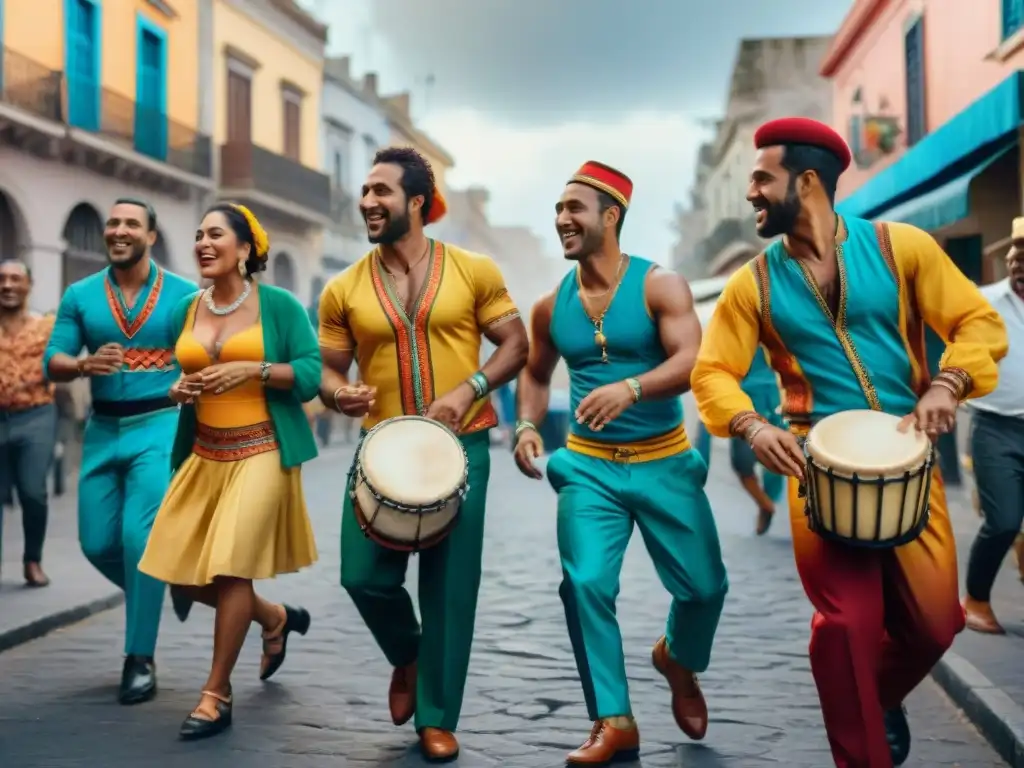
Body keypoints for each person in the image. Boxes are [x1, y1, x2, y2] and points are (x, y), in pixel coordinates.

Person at [690, 117, 1007, 767]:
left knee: (933, 625)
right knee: (846, 627)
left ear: (805, 182)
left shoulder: (903, 247)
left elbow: (976, 321)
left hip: (909, 455)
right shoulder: (752, 283)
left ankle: (879, 697)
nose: (750, 192)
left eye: (760, 178)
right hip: (814, 467)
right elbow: (712, 371)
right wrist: (751, 424)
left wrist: (949, 382)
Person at [317, 146, 529, 762]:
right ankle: (408, 654)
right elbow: (328, 372)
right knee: (361, 576)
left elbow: (514, 344)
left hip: (460, 450)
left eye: (381, 191)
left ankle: (437, 716)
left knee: (449, 587)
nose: (366, 201)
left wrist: (472, 388)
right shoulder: (342, 288)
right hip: (380, 449)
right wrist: (341, 394)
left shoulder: (472, 270)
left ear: (416, 201)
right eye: (364, 191)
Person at [514, 161, 728, 766]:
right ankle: (614, 721)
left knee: (705, 588)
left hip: (664, 462)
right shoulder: (548, 306)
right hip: (587, 468)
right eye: (557, 210)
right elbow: (534, 373)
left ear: (611, 216)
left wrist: (632, 388)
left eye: (574, 209)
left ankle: (678, 661)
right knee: (585, 586)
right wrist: (528, 425)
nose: (562, 220)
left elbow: (692, 361)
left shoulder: (662, 285)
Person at [137, 203, 319, 739]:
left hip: (262, 449)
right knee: (179, 573)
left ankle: (216, 694)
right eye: (198, 235)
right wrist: (177, 390)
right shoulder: (185, 310)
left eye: (215, 234)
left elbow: (309, 374)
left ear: (245, 249)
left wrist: (256, 368)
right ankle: (274, 618)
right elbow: (180, 375)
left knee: (232, 567)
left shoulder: (279, 305)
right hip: (205, 453)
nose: (202, 243)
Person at [43, 198, 198, 704]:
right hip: (102, 430)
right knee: (95, 543)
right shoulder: (80, 295)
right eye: (112, 223)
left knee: (139, 538)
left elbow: (203, 358)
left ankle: (139, 658)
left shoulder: (183, 296)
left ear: (151, 236)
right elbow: (54, 360)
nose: (118, 230)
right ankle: (163, 586)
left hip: (160, 425)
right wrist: (84, 367)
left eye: (131, 223)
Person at [961, 217, 1024, 634]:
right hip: (995, 428)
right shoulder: (982, 303)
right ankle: (976, 600)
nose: (1018, 261)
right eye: (1014, 254)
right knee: (1003, 520)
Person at [0, 259, 57, 586]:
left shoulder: (46, 327)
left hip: (35, 415)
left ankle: (32, 560)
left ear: (28, 285)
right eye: (2, 279)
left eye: (15, 279)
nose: (7, 285)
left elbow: (64, 356)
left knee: (33, 491)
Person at [694, 343, 785, 534]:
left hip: (745, 404)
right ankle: (767, 503)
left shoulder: (731, 334)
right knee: (770, 460)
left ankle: (765, 504)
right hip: (765, 400)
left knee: (746, 468)